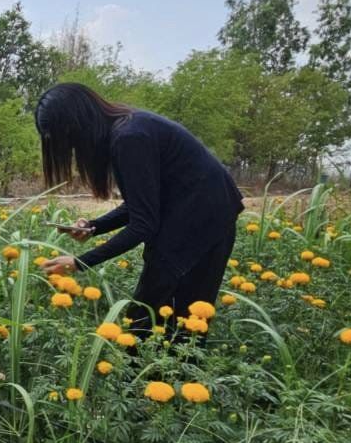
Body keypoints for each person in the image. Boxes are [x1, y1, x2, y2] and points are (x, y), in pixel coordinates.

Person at [35, 82, 243, 333]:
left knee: (157, 322)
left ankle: (154, 371)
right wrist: (94, 226)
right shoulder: (128, 129)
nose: (71, 151)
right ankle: (162, 371)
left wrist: (80, 262)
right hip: (198, 218)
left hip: (202, 225)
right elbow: (142, 204)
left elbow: (143, 224)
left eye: (65, 141)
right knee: (169, 321)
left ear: (75, 127)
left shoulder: (130, 138)